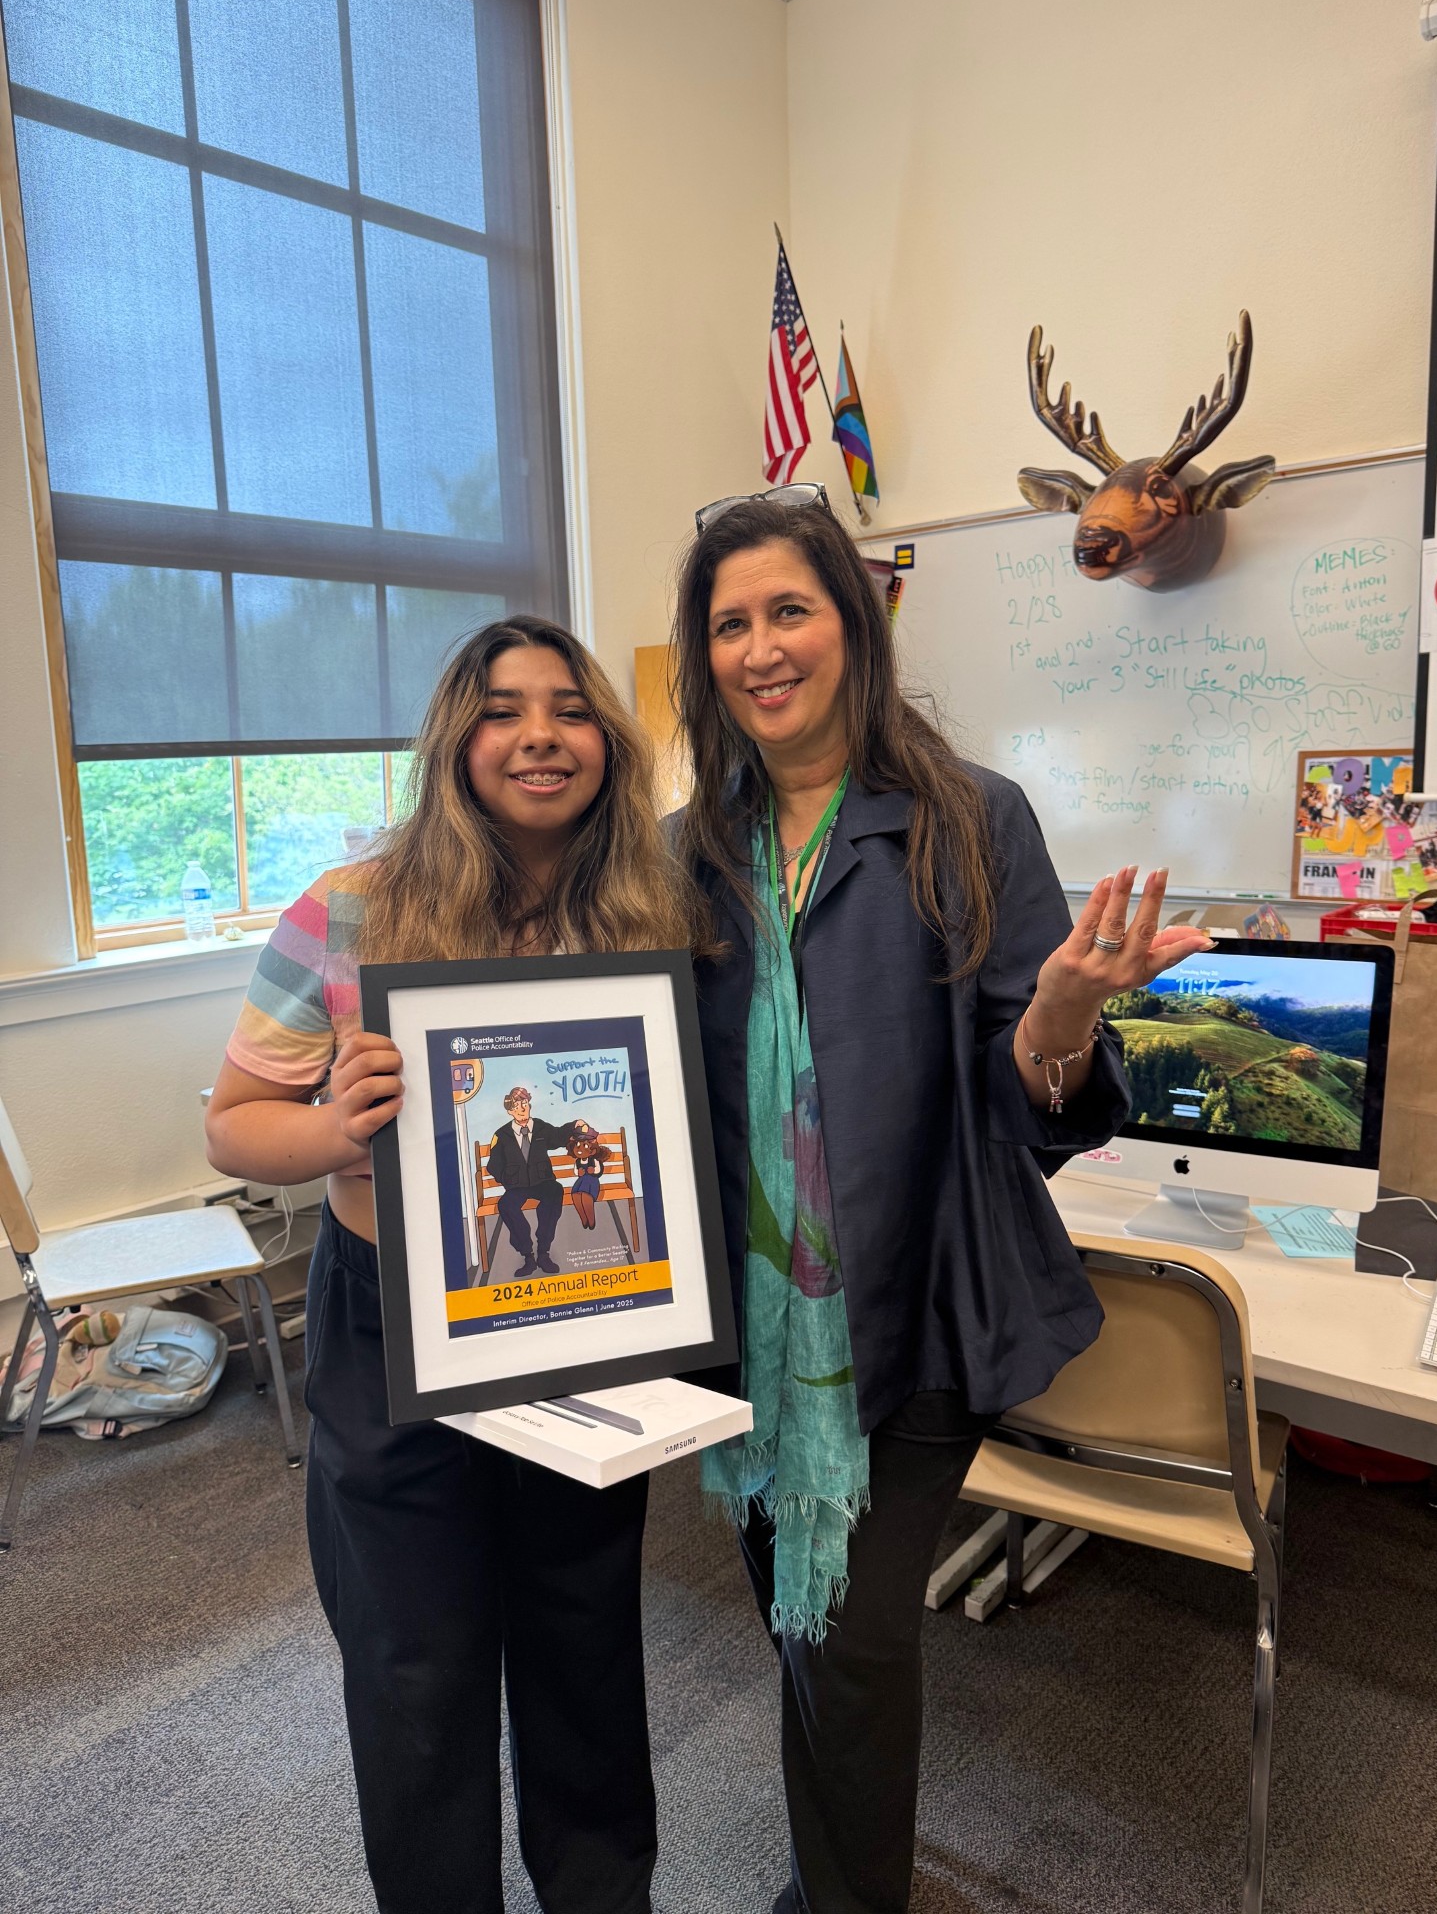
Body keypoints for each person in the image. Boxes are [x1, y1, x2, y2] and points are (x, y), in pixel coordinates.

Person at [668, 484, 1216, 1914]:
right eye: (730, 623)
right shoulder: (685, 851)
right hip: (743, 1330)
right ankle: (827, 1873)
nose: (761, 646)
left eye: (790, 608)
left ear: (852, 622)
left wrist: (1060, 1019)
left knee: (847, 1640)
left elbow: (1019, 1087)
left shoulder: (969, 818)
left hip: (911, 1316)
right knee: (804, 1632)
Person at [204, 616, 699, 1914]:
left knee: (583, 1648)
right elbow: (232, 1121)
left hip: (577, 1322)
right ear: (454, 740)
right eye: (503, 709)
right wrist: (331, 1127)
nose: (539, 734)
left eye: (569, 708)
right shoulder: (352, 905)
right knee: (414, 1670)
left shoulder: (648, 905)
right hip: (389, 1328)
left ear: (607, 740)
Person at [487, 1084, 570, 1274]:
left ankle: (543, 1252)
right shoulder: (501, 1135)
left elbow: (558, 1136)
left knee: (555, 1192)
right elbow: (494, 1164)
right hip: (517, 1186)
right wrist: (507, 1178)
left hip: (543, 1182)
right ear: (510, 1111)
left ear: (530, 1104)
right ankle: (528, 1256)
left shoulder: (541, 1127)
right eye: (517, 1105)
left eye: (524, 1103)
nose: (522, 1108)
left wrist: (574, 1126)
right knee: (506, 1205)